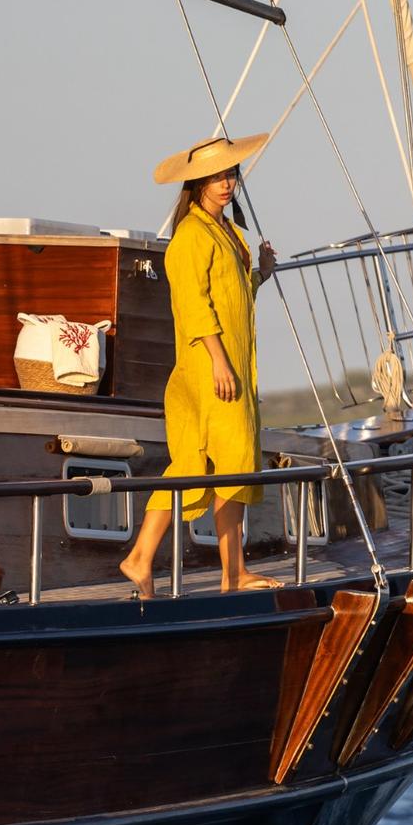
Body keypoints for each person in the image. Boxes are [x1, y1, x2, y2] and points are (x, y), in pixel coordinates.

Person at [119, 133, 281, 599]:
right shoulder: (190, 236)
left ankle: (197, 566)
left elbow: (230, 300)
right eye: (216, 176)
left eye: (230, 173)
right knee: (215, 462)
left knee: (225, 463)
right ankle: (155, 559)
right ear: (197, 183)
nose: (226, 183)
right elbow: (193, 307)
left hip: (228, 364)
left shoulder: (224, 232)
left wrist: (260, 274)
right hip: (210, 369)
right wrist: (218, 362)